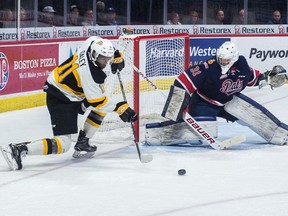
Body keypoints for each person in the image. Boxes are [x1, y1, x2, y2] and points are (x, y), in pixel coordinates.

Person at [0, 36, 137, 170]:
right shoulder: (90, 75)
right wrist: (120, 108)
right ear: (94, 55)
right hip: (60, 97)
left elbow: (97, 40)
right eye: (102, 59)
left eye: (107, 59)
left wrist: (116, 55)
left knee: (102, 108)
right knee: (64, 144)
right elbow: (97, 101)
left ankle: (83, 142)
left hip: (72, 92)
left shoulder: (90, 44)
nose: (104, 62)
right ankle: (18, 149)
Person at [162, 41, 288, 147]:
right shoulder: (209, 67)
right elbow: (183, 81)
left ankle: (280, 134)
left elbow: (253, 78)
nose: (222, 61)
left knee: (253, 114)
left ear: (234, 59)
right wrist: (175, 108)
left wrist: (266, 78)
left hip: (228, 102)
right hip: (204, 103)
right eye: (220, 59)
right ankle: (161, 134)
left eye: (226, 60)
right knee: (203, 137)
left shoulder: (242, 66)